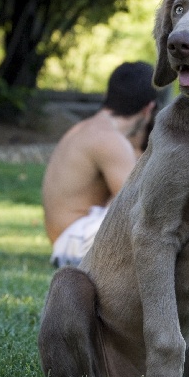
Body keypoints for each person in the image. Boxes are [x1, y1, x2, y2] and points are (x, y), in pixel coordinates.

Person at [42, 61, 163, 269]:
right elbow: (138, 207)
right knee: (156, 222)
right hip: (76, 241)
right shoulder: (111, 141)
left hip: (68, 239)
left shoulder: (86, 128)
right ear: (148, 109)